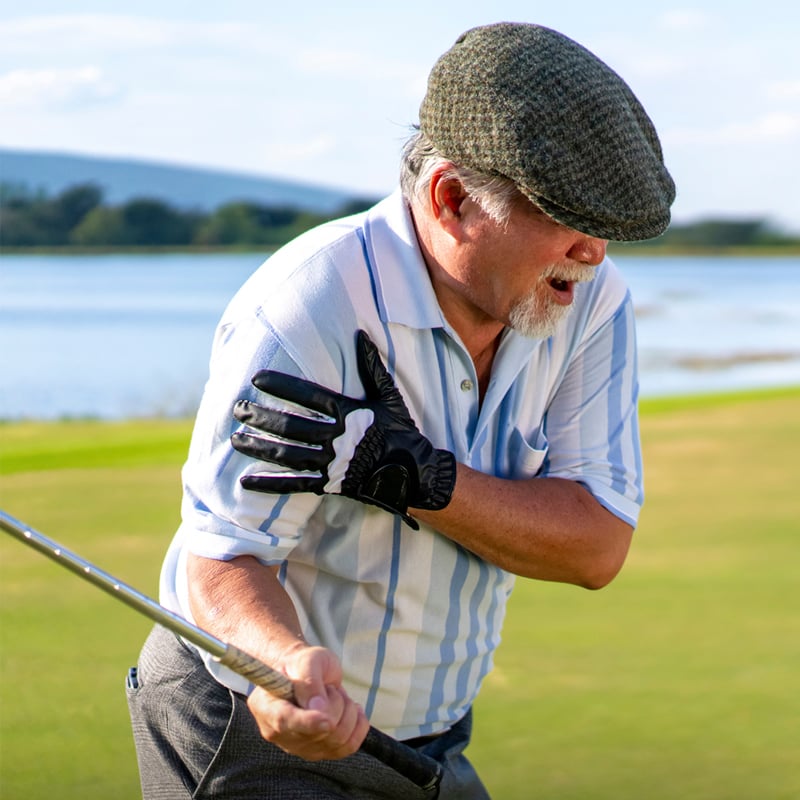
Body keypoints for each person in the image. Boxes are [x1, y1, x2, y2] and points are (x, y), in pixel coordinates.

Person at [127, 21, 675, 799]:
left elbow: (595, 547)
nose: (595, 252)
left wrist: (421, 479)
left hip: (433, 742)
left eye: (608, 229)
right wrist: (281, 664)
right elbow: (221, 555)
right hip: (250, 728)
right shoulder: (308, 304)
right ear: (453, 199)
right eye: (566, 215)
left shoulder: (589, 301)